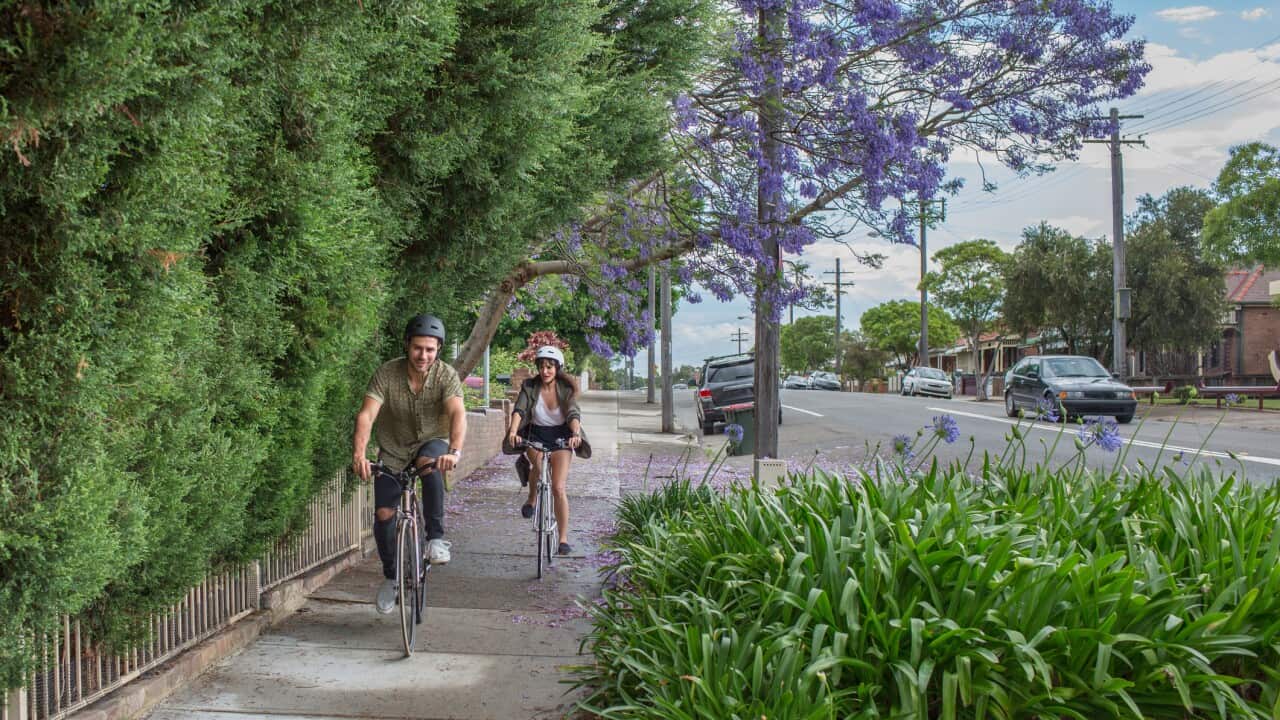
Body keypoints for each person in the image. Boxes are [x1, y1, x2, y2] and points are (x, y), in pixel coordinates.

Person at [352, 314, 467, 614]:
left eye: (430, 349)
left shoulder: (446, 376)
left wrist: (454, 451)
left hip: (432, 441)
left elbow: (457, 414)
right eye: (418, 348)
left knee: (430, 464)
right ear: (407, 345)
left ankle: (436, 539)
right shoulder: (387, 374)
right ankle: (392, 576)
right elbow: (367, 414)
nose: (423, 355)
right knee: (384, 515)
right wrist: (359, 455)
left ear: (438, 349)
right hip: (393, 449)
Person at [506, 345, 586, 555]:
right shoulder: (530, 386)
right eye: (542, 366)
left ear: (557, 368)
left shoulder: (565, 389)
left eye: (550, 367)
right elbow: (520, 410)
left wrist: (576, 434)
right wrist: (513, 432)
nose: (545, 371)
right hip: (535, 434)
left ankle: (563, 539)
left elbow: (573, 413)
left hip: (561, 436)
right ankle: (532, 499)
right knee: (539, 467)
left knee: (558, 487)